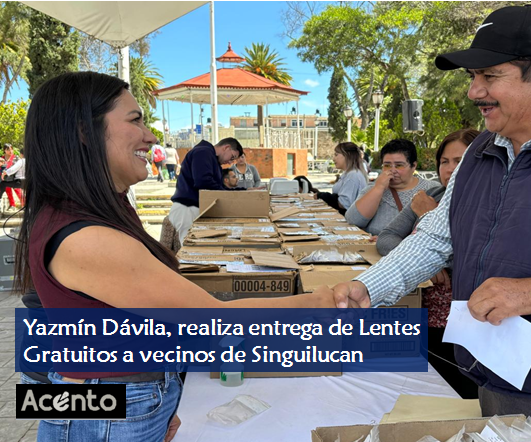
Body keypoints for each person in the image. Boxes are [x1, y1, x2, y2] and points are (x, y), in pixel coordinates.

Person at [327, 5, 531, 441]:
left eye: (489, 76)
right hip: (492, 373)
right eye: (472, 77)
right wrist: (371, 288)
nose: (474, 91)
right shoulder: (484, 148)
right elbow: (435, 237)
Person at [15, 72, 336, 442]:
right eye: (135, 120)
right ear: (84, 131)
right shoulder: (87, 237)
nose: (150, 136)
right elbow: (212, 321)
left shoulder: (94, 209)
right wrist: (318, 302)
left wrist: (159, 395)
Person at [376, 129, 479, 398]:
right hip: (417, 309)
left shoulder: (488, 202)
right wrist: (427, 263)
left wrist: (427, 216)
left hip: (465, 322)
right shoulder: (432, 192)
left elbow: (475, 255)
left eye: (460, 160)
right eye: (444, 161)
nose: (450, 169)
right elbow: (386, 238)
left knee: (456, 394)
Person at [345, 139, 440, 235]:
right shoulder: (372, 189)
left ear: (413, 166)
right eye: (387, 165)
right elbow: (353, 220)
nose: (392, 170)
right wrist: (379, 188)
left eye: (399, 165)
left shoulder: (432, 189)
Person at [168, 137, 244, 244]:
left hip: (193, 208)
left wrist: (244, 191)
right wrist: (231, 194)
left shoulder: (211, 157)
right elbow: (203, 182)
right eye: (232, 157)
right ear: (226, 147)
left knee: (199, 247)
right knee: (192, 250)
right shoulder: (203, 152)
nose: (230, 163)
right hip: (188, 208)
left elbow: (218, 186)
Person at [315, 142, 367, 215]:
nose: (333, 159)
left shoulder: (353, 175)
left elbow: (343, 204)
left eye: (336, 155)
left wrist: (324, 196)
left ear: (347, 155)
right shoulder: (349, 174)